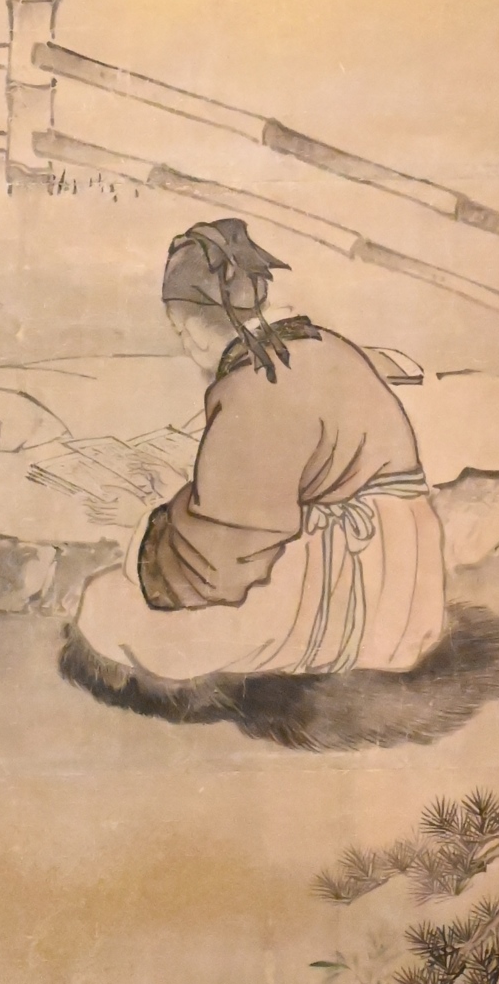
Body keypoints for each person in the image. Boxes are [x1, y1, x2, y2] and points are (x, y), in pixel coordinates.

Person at [71, 219, 447, 690]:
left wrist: (147, 537)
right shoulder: (322, 345)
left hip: (347, 588)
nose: (185, 344)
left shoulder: (255, 382)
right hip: (406, 583)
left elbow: (219, 562)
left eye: (179, 329)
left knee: (104, 607)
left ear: (195, 328)